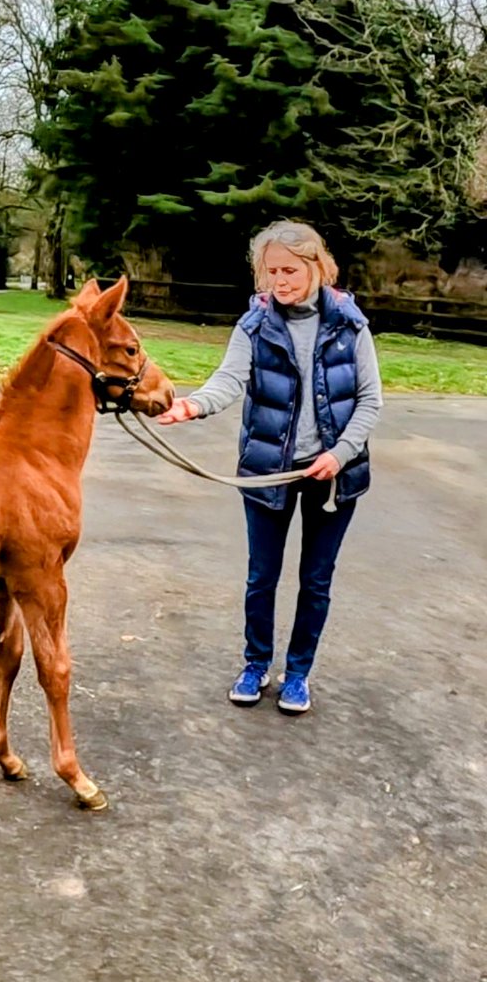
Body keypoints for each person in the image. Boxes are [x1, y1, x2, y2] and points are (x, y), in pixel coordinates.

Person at [157, 220, 383, 714]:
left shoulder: (349, 322)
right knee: (262, 576)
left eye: (290, 270)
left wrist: (338, 454)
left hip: (332, 475)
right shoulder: (255, 324)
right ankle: (256, 664)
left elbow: (369, 401)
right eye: (271, 271)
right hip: (267, 472)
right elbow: (229, 379)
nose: (280, 281)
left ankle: (298, 673)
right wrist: (192, 406)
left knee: (315, 581)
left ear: (316, 266)